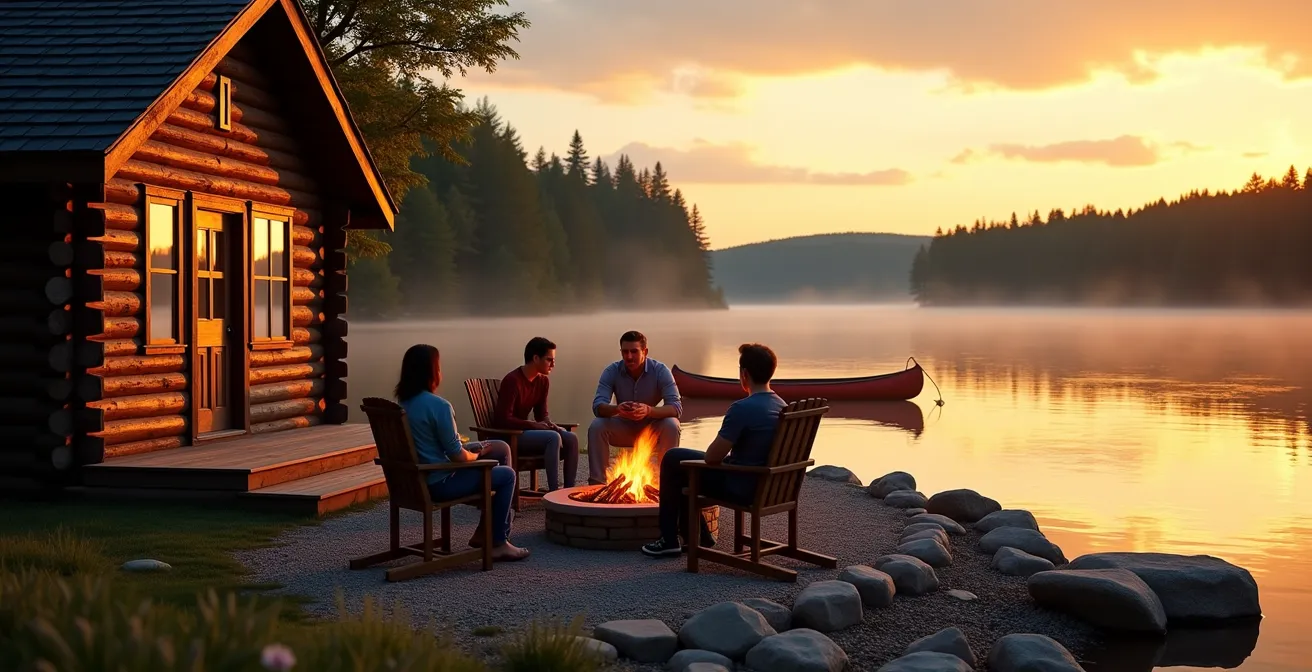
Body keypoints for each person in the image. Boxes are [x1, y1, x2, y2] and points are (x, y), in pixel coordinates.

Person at [641, 343, 787, 558]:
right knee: (683, 465)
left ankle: (669, 540)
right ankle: (701, 537)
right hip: (772, 485)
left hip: (743, 487)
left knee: (673, 459)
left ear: (744, 374)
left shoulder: (742, 408)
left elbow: (712, 457)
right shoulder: (781, 406)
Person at [394, 344, 530, 561]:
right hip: (440, 482)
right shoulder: (439, 406)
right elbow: (457, 456)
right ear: (431, 372)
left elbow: (430, 444)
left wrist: (471, 448)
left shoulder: (404, 405)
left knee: (500, 448)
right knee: (507, 475)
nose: (441, 372)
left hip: (416, 478)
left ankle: (484, 531)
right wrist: (475, 455)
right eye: (439, 367)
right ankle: (498, 541)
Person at [587, 330, 682, 485]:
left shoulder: (661, 371)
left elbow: (676, 408)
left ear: (645, 351)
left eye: (634, 351)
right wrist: (617, 409)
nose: (629, 356)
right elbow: (597, 406)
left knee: (672, 424)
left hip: (651, 428)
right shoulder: (611, 371)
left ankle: (666, 483)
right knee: (597, 426)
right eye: (625, 352)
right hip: (623, 427)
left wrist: (648, 410)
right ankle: (598, 483)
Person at [493, 336, 580, 491]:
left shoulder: (543, 381)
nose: (553, 364)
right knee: (553, 437)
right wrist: (534, 425)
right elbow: (503, 419)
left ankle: (568, 491)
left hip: (527, 432)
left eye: (553, 360)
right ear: (535, 358)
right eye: (549, 360)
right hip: (510, 436)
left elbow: (541, 414)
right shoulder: (512, 381)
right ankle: (554, 492)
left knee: (571, 438)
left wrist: (550, 424)